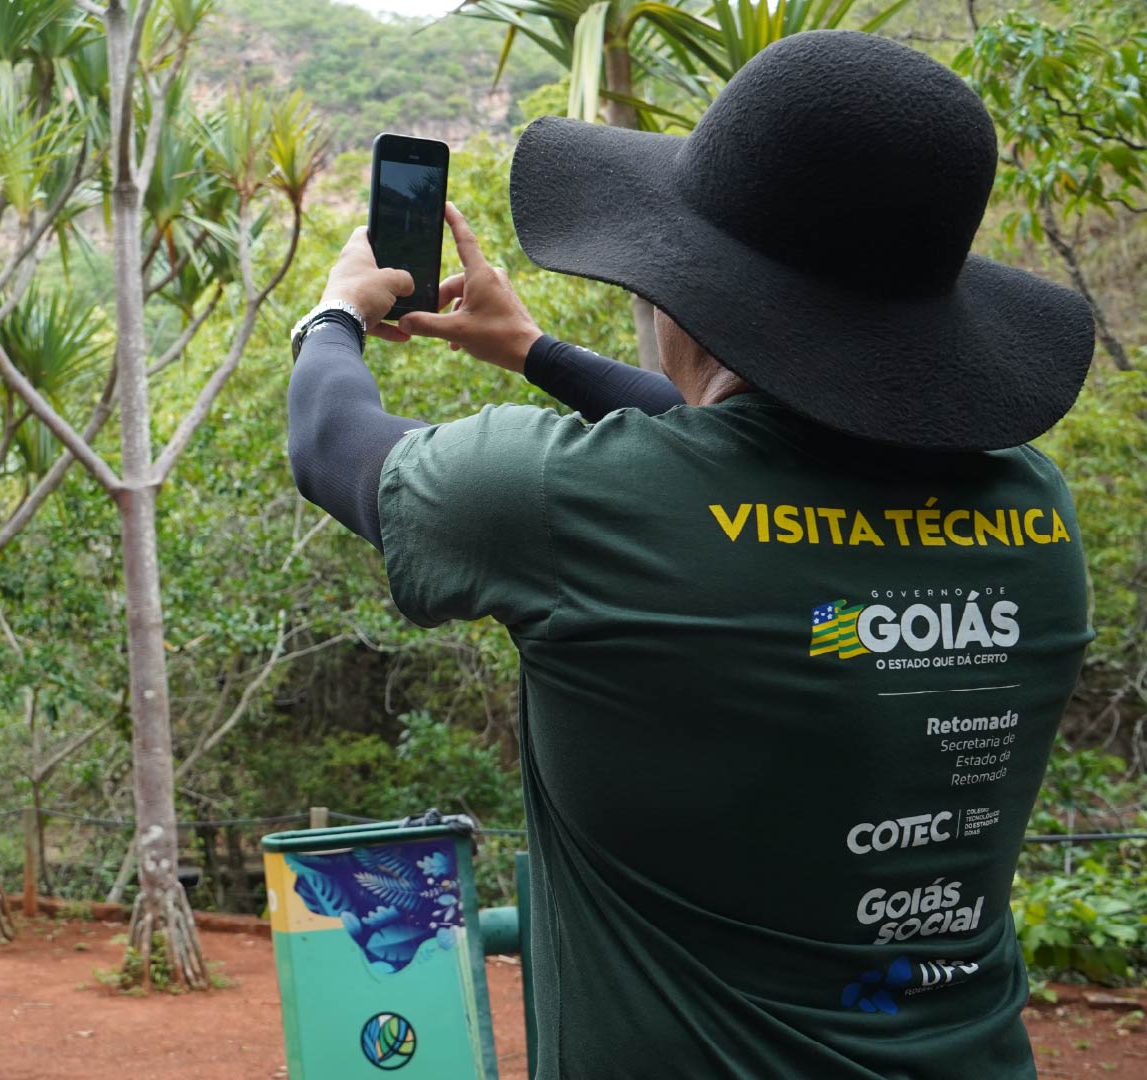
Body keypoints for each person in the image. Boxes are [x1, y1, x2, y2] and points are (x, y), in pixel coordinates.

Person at [284, 32, 1093, 1078]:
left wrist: (336, 311)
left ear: (688, 298)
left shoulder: (562, 505)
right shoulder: (1033, 515)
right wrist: (535, 351)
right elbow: (754, 459)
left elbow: (331, 445)